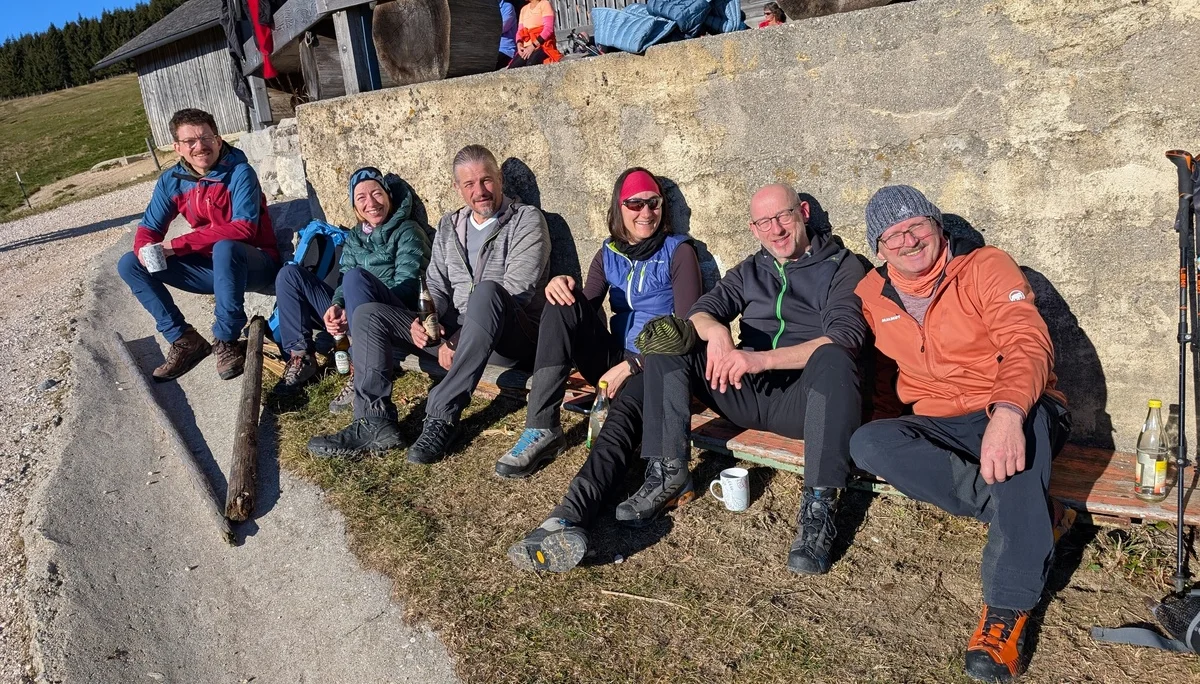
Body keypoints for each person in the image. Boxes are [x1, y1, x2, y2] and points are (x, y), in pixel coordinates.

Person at [848, 185, 1073, 682]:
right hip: (940, 419)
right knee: (868, 442)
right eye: (892, 234)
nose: (907, 240)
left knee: (1018, 448)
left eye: (917, 226)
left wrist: (1009, 413)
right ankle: (1032, 515)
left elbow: (1026, 340)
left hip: (1018, 404)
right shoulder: (870, 293)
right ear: (879, 248)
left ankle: (1005, 615)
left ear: (937, 228)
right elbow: (871, 368)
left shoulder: (985, 267)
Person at [618, 183, 867, 575]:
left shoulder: (844, 266)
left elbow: (845, 337)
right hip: (741, 391)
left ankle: (818, 508)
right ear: (753, 229)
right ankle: (669, 472)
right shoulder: (752, 269)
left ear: (802, 212)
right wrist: (717, 334)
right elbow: (703, 310)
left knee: (834, 357)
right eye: (764, 222)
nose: (776, 230)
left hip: (805, 402)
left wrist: (761, 361)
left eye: (783, 216)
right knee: (670, 336)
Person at [503, 169, 704, 572]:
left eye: (654, 203)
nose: (645, 212)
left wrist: (631, 366)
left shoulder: (679, 252)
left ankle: (566, 517)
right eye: (635, 203)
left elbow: (687, 330)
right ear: (620, 207)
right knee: (562, 303)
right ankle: (541, 424)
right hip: (613, 359)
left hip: (657, 367)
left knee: (618, 427)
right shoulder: (608, 253)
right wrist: (562, 285)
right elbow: (585, 307)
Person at [306, 145, 550, 462]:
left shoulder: (527, 221)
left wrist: (459, 339)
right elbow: (434, 282)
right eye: (469, 184)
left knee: (488, 292)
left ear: (500, 179)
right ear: (457, 188)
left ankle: (441, 416)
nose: (480, 192)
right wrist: (424, 320)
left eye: (486, 180)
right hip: (452, 337)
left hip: (508, 338)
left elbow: (517, 290)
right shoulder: (451, 225)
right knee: (368, 314)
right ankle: (373, 421)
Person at [117, 108, 279, 382]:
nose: (200, 146)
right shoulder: (172, 181)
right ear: (177, 147)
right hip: (213, 271)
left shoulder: (240, 172)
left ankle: (226, 339)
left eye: (206, 138)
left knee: (226, 247)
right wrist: (145, 249)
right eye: (190, 142)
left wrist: (177, 246)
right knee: (129, 264)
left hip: (255, 264)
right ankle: (185, 341)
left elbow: (244, 227)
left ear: (217, 139)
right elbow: (149, 227)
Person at [273, 167, 432, 400]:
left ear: (388, 196)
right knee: (289, 275)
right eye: (361, 198)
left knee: (356, 278)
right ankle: (302, 357)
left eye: (377, 193)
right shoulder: (356, 236)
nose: (371, 203)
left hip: (389, 317)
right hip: (355, 312)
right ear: (355, 207)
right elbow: (343, 277)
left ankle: (363, 371)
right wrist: (337, 306)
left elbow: (409, 288)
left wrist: (359, 306)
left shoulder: (408, 232)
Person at [509, 0, 561, 68]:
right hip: (526, 47)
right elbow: (519, 31)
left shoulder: (544, 4)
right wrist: (519, 44)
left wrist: (533, 46)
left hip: (542, 45)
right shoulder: (524, 9)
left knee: (531, 64)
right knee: (513, 67)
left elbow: (548, 29)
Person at [498, 0, 518, 69]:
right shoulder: (487, 9)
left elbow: (502, 28)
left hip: (506, 50)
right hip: (490, 50)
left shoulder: (508, 7)